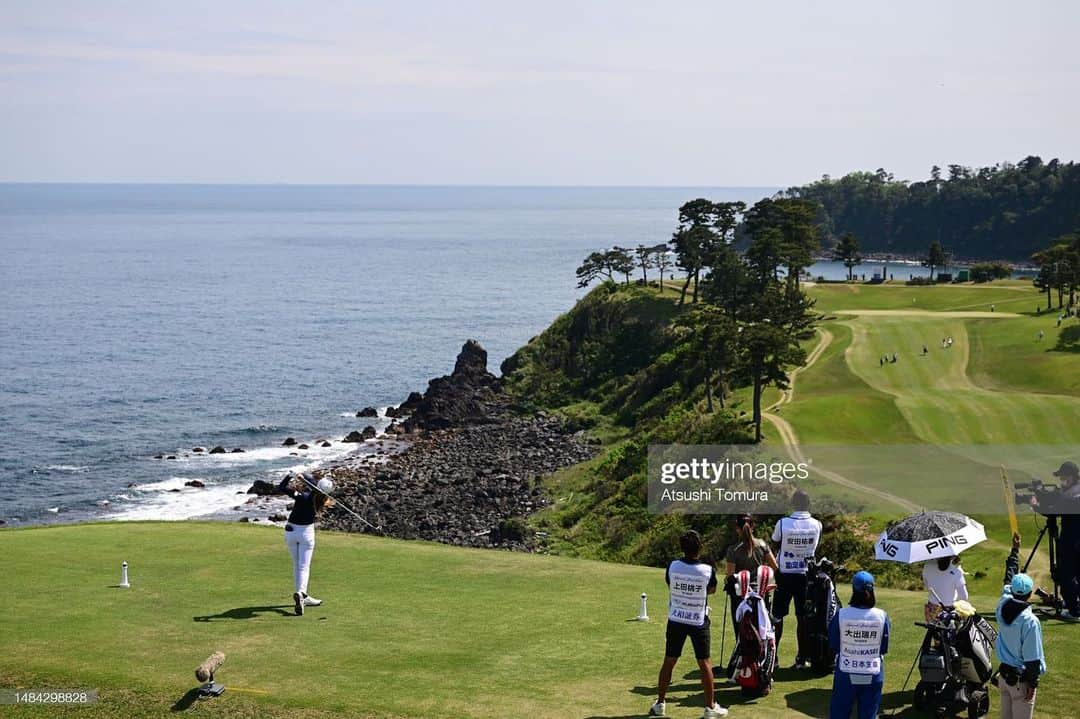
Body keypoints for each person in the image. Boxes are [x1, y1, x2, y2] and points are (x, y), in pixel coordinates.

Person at [650, 530, 728, 718]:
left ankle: (660, 703)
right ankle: (710, 707)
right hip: (697, 620)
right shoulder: (707, 570)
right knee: (705, 664)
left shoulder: (673, 566)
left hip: (676, 618)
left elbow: (670, 584)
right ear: (700, 547)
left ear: (682, 548)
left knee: (669, 661)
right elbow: (712, 590)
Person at [995, 533, 1046, 719]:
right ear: (1029, 594)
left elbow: (1008, 578)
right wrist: (1033, 684)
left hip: (1004, 678)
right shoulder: (1030, 621)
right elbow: (1032, 658)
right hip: (1020, 681)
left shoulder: (1003, 604)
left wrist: (1014, 550)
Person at [770, 490, 823, 668]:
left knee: (777, 617)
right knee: (803, 618)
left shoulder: (783, 523)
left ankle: (773, 658)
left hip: (784, 574)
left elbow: (775, 543)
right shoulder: (817, 525)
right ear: (808, 504)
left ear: (793, 504)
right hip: (807, 576)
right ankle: (802, 658)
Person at [829, 571, 889, 719]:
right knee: (868, 715)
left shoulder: (842, 614)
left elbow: (834, 644)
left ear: (853, 590)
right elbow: (884, 647)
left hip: (846, 672)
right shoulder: (882, 615)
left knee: (839, 713)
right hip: (873, 672)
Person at [277, 471, 332, 616]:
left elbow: (281, 487)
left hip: (290, 532)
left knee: (298, 565)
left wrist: (290, 475)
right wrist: (304, 477)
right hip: (306, 533)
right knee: (303, 566)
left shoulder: (303, 496)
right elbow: (313, 484)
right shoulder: (321, 498)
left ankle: (302, 594)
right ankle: (302, 594)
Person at [725, 514, 779, 635]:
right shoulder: (762, 545)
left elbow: (730, 577)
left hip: (741, 596)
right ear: (753, 526)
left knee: (741, 634)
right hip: (761, 594)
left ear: (737, 529)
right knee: (762, 631)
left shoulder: (733, 550)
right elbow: (775, 567)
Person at [1051, 460, 1080, 620]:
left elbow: (1055, 510)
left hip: (1072, 538)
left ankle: (1074, 611)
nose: (1062, 481)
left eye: (1063, 478)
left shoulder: (1071, 494)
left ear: (1072, 476)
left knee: (1067, 573)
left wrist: (1036, 505)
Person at [921, 556, 969, 622]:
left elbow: (927, 585)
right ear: (953, 557)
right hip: (949, 611)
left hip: (931, 608)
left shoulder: (927, 566)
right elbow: (964, 597)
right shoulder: (957, 572)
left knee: (932, 631)